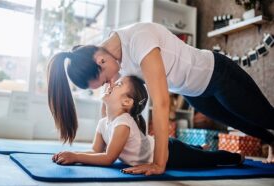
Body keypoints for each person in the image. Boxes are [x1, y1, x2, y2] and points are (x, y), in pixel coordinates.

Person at [47, 22, 274, 175]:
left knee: (264, 116)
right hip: (194, 92)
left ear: (101, 61)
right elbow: (114, 107)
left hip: (219, 75)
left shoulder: (139, 40)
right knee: (242, 123)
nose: (109, 84)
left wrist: (159, 162)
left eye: (105, 80)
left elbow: (162, 102)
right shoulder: (112, 57)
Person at [52, 76, 244, 171]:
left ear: (127, 102)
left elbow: (109, 158)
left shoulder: (123, 123)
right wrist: (72, 155)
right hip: (162, 145)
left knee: (208, 160)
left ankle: (235, 158)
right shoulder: (104, 123)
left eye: (118, 84)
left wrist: (75, 155)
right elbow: (96, 151)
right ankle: (198, 146)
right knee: (196, 151)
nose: (111, 84)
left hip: (171, 153)